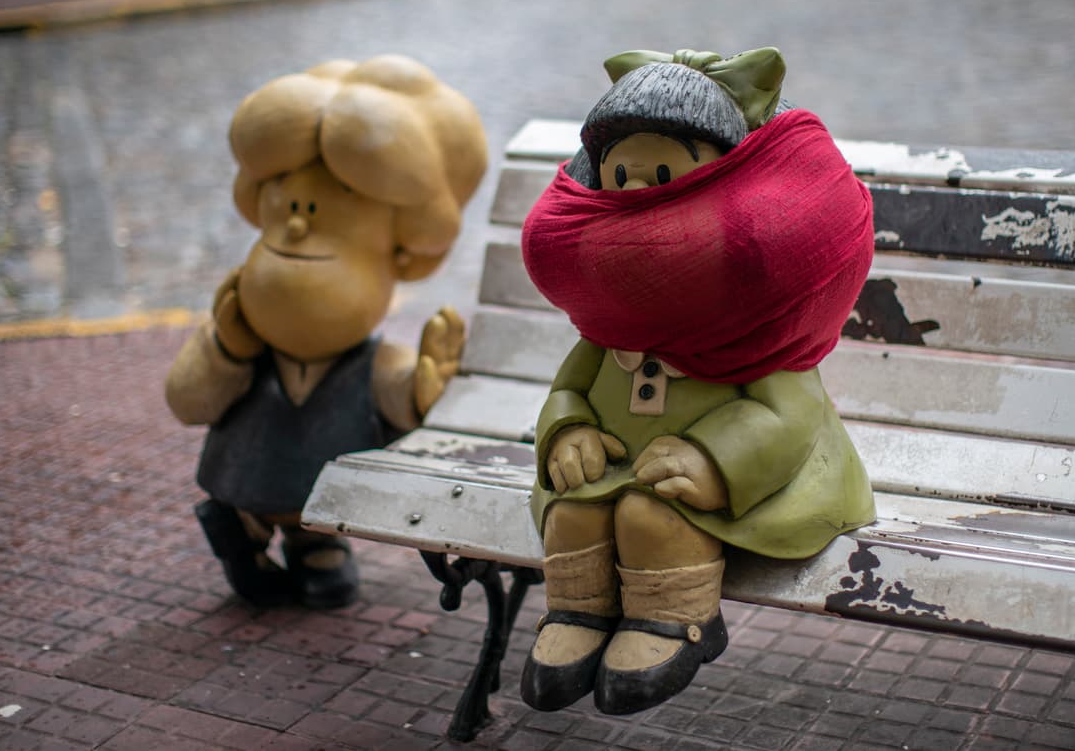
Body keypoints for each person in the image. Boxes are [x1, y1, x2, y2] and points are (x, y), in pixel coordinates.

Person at [519, 48, 875, 714]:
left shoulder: (757, 328)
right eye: (625, 176)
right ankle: (577, 611)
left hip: (736, 482)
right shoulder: (612, 321)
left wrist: (715, 457)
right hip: (617, 465)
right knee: (572, 512)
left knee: (653, 516)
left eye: (664, 173)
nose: (644, 198)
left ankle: (673, 618)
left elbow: (788, 414)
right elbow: (570, 387)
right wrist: (567, 430)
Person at [166, 55, 485, 609]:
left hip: (323, 492)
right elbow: (188, 399)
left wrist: (424, 384)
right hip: (245, 466)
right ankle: (243, 528)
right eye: (287, 198)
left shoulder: (369, 362)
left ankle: (312, 545)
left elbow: (401, 396)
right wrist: (224, 349)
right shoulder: (240, 332)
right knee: (262, 560)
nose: (297, 221)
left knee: (328, 578)